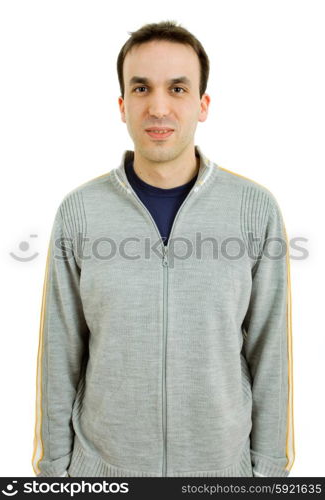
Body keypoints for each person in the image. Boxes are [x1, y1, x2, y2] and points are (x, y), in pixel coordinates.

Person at [32, 20, 295, 478]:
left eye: (177, 88)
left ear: (202, 104)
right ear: (122, 104)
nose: (158, 107)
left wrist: (269, 474)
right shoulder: (80, 212)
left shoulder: (255, 210)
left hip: (221, 474)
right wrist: (55, 473)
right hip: (103, 474)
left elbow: (271, 352)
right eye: (141, 88)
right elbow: (60, 352)